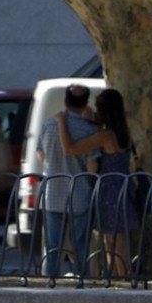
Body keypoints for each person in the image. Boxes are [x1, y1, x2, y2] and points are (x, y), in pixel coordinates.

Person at [58, 88, 139, 279]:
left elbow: (70, 149)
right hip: (122, 187)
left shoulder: (105, 136)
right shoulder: (123, 133)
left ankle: (122, 278)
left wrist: (62, 122)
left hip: (107, 190)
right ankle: (119, 277)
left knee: (112, 241)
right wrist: (90, 119)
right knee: (114, 239)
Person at [37, 84, 98, 278]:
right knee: (80, 244)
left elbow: (41, 155)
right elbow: (92, 167)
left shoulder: (49, 125)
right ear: (85, 104)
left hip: (52, 194)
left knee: (52, 244)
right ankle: (81, 280)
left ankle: (50, 280)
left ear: (65, 102)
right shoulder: (89, 130)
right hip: (80, 196)